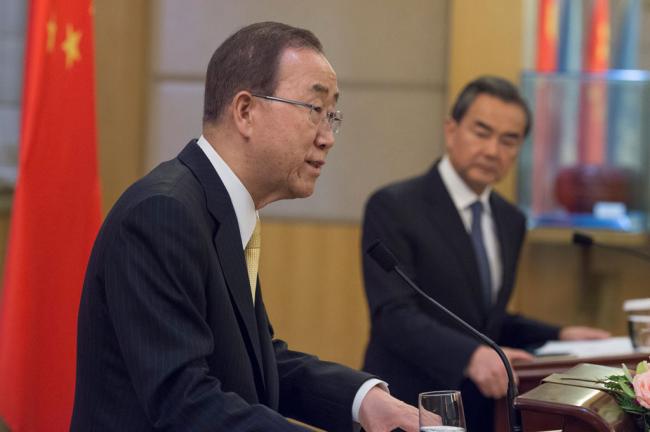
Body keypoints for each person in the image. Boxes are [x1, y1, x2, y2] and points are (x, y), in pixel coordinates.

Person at [71, 22, 420, 432]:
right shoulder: (161, 214)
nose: (328, 137)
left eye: (332, 116)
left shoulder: (219, 208)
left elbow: (256, 362)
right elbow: (185, 401)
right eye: (315, 110)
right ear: (245, 112)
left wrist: (364, 400)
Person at [360, 76, 610, 432]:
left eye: (509, 140)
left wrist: (560, 334)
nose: (493, 150)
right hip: (407, 403)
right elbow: (394, 315)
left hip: (482, 409)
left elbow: (483, 320)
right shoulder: (394, 206)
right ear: (451, 130)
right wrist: (470, 356)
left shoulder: (511, 220)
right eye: (482, 132)